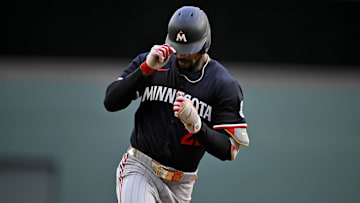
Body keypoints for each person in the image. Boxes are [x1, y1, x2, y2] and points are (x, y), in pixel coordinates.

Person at [104, 6, 249, 203]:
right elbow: (111, 101)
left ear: (204, 45)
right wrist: (145, 69)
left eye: (189, 51)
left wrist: (197, 127)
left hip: (181, 186)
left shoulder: (223, 84)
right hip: (140, 168)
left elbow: (229, 149)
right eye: (178, 49)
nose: (181, 56)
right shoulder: (154, 62)